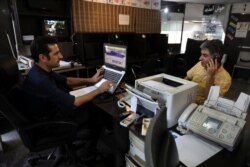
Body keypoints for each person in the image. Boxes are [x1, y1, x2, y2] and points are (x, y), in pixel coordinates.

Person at [21, 36, 113, 163]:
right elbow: (74, 102)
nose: (61, 56)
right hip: (50, 125)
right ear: (43, 57)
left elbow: (67, 80)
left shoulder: (40, 70)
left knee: (89, 106)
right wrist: (99, 89)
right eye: (56, 53)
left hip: (48, 115)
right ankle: (89, 155)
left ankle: (68, 148)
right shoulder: (41, 81)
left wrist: (91, 80)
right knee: (96, 115)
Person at [185, 39, 232, 105]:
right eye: (201, 54)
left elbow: (210, 101)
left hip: (202, 107)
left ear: (216, 58)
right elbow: (187, 78)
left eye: (205, 55)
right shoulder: (200, 64)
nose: (200, 58)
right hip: (187, 100)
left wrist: (210, 76)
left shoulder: (226, 78)